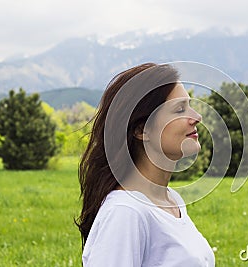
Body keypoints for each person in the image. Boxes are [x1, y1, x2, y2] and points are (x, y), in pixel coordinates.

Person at [76, 63, 215, 266]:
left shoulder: (172, 201)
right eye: (179, 109)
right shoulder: (126, 212)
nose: (196, 117)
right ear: (142, 130)